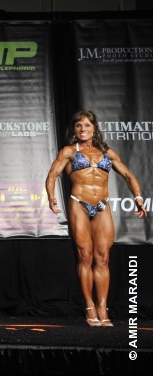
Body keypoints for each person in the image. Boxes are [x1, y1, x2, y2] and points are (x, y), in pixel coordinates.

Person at [45, 109, 146, 327]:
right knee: (85, 256)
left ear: (94, 128)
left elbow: (128, 175)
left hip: (102, 206)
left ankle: (102, 306)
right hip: (79, 203)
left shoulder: (107, 153)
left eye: (87, 125)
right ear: (74, 129)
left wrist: (138, 197)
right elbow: (52, 174)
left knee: (103, 258)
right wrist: (51, 197)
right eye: (78, 125)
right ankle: (89, 305)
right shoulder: (69, 151)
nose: (82, 129)